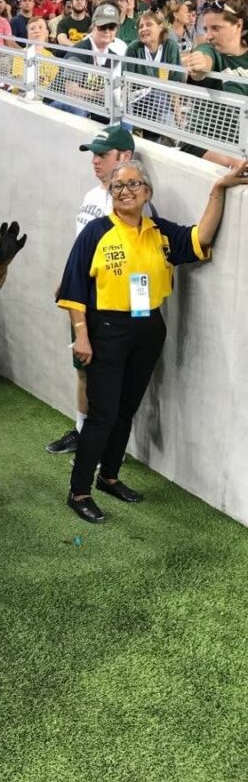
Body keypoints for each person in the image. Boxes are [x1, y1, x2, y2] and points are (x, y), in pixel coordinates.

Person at [57, 159, 248, 523]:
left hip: (148, 328)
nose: (125, 191)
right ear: (110, 193)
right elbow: (74, 288)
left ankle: (109, 476)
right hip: (106, 329)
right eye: (118, 186)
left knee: (127, 408)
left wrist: (219, 188)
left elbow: (200, 238)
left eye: (133, 185)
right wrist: (82, 335)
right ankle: (78, 491)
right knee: (103, 414)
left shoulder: (159, 230)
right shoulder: (96, 232)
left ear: (147, 192)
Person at [46, 125, 136, 455]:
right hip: (81, 298)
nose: (95, 161)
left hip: (108, 305)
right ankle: (82, 431)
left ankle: (106, 444)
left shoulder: (128, 203)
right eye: (93, 155)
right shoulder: (91, 195)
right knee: (83, 368)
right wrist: (68, 277)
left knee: (105, 376)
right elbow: (81, 246)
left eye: (103, 155)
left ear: (124, 156)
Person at [181, 0, 248, 166]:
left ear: (238, 25)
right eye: (206, 29)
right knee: (241, 166)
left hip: (241, 145)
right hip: (202, 143)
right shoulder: (210, 51)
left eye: (216, 28)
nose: (209, 35)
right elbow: (203, 62)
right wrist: (200, 65)